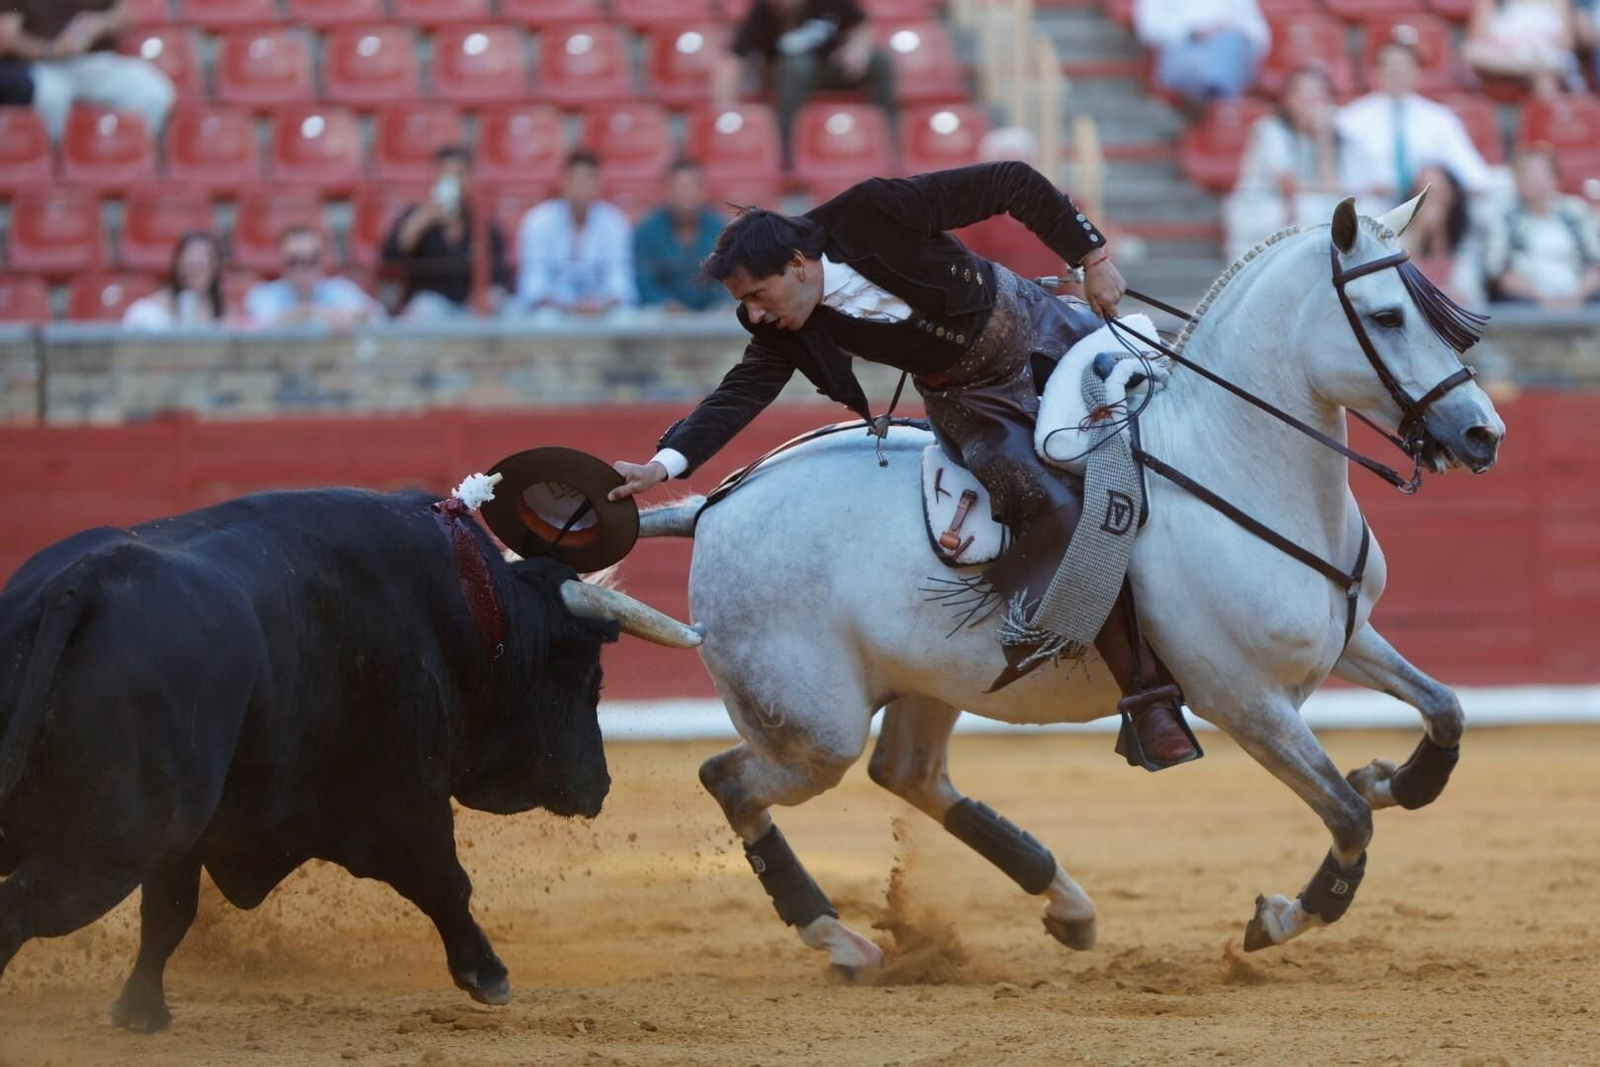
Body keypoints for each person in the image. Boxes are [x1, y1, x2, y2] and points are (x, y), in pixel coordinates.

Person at [606, 163, 1202, 770]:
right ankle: (1148, 700)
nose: (755, 315)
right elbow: (743, 390)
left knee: (1174, 420)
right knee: (1052, 503)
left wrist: (1091, 257)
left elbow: (1011, 181)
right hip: (975, 404)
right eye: (745, 304)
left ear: (797, 265)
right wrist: (664, 464)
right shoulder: (786, 321)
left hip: (1044, 330)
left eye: (757, 296)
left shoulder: (875, 211)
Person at [713, 0, 896, 168]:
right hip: (786, 81)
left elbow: (863, 26)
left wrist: (857, 49)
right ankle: (786, 151)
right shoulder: (763, 11)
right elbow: (732, 60)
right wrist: (726, 110)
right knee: (798, 67)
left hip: (833, 69)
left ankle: (889, 141)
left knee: (881, 61)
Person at [1337, 41, 1491, 204]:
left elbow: (1473, 175)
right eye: (1390, 67)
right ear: (1376, 72)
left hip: (1426, 207)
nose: (1397, 74)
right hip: (1369, 207)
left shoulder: (1440, 118)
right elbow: (1341, 182)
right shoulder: (1350, 118)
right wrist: (1367, 188)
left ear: (1417, 72)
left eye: (1403, 67)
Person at [0, 1, 174, 140]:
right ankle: (57, 164)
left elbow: (126, 15)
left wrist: (101, 23)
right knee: (50, 97)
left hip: (95, 60)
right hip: (41, 65)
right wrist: (50, 49)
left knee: (152, 92)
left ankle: (126, 157)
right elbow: (5, 38)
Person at [1223, 65, 1345, 259]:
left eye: (1319, 97)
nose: (1312, 104)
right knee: (1314, 210)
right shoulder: (1269, 129)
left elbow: (1331, 187)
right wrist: (1328, 189)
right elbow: (1289, 186)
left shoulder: (1330, 136)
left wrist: (1324, 137)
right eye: (1305, 96)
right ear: (1288, 99)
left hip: (1297, 219)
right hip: (1259, 214)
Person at [381, 145, 510, 320]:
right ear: (434, 177)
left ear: (469, 179)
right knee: (426, 308)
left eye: (459, 175)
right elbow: (390, 260)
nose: (453, 182)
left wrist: (488, 297)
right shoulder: (416, 217)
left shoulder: (483, 225)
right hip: (429, 308)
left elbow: (500, 277)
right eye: (445, 175)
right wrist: (422, 220)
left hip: (471, 311)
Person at [515, 150, 637, 315]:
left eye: (588, 178)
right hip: (554, 311)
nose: (581, 185)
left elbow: (620, 280)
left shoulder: (615, 223)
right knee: (544, 318)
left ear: (599, 184)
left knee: (624, 317)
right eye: (575, 179)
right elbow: (533, 282)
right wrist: (566, 306)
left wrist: (603, 305)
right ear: (563, 181)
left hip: (601, 312)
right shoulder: (538, 221)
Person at [1483, 146, 1600, 307]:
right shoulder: (1504, 217)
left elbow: (1595, 263)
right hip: (1527, 301)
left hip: (1578, 297)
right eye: (1530, 175)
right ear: (1517, 182)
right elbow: (1498, 272)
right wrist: (1541, 299)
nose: (1537, 181)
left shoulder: (1576, 211)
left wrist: (1576, 297)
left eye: (1543, 173)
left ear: (1555, 178)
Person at [1133, 0, 1270, 108]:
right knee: (1214, 66)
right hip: (1183, 48)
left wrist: (1223, 30)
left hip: (1227, 50)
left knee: (1229, 46)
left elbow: (1257, 32)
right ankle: (1219, 106)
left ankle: (1216, 101)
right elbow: (1149, 29)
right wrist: (1194, 31)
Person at [633, 159, 729, 313]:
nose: (685, 194)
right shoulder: (647, 230)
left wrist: (723, 306)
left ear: (703, 191)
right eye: (678, 187)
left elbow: (732, 278)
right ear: (666, 192)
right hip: (662, 315)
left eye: (692, 187)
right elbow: (644, 281)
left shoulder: (721, 228)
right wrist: (664, 303)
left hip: (713, 314)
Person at [245, 226, 385, 329]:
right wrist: (317, 314)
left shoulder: (339, 288)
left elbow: (379, 316)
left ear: (323, 261)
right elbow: (263, 324)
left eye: (310, 261)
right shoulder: (263, 293)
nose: (301, 269)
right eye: (293, 261)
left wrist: (358, 316)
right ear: (280, 260)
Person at [1397, 167, 1484, 305]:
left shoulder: (1469, 240)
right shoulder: (1396, 242)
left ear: (1452, 196)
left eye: (1438, 193)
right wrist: (1419, 233)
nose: (1430, 201)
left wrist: (1439, 234)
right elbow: (1397, 286)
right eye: (1422, 194)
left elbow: (1471, 296)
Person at [1462, 0, 1580, 97]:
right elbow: (1476, 42)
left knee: (1545, 77)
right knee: (1472, 52)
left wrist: (1534, 43)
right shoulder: (1489, 3)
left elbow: (1568, 42)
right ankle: (1536, 65)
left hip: (1547, 58)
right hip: (1503, 64)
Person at [123, 231, 232, 332]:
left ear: (215, 268)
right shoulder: (147, 315)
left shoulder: (225, 318)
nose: (195, 273)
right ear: (178, 265)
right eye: (190, 264)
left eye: (202, 266)